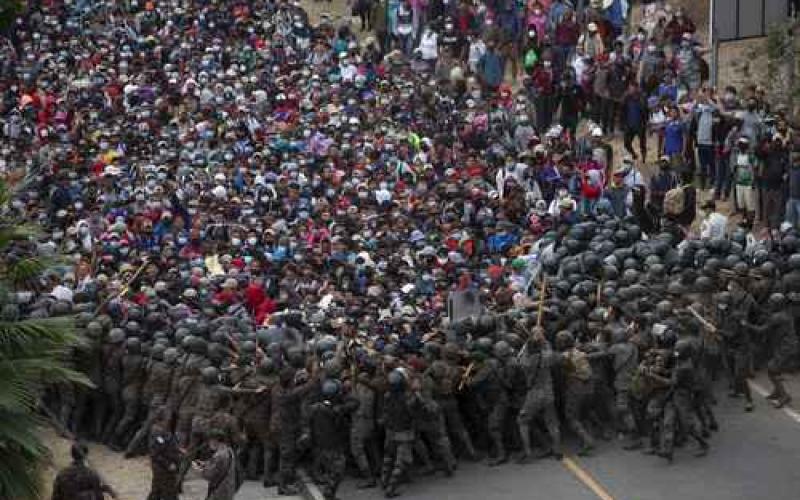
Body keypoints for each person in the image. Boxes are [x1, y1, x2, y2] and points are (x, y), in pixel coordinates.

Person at [51, 442, 118, 500]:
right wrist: (105, 490)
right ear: (86, 455)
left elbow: (55, 496)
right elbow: (98, 497)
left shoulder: (62, 474)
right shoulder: (92, 474)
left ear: (72, 455)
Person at [194, 429, 238, 500]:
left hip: (218, 493)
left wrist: (199, 470)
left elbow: (209, 475)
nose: (209, 444)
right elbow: (219, 467)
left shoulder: (219, 455)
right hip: (228, 490)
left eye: (209, 441)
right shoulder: (229, 451)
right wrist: (205, 464)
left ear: (215, 440)